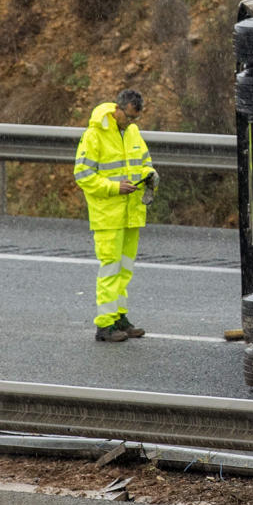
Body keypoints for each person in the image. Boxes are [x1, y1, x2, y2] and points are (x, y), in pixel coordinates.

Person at [74, 89, 156, 342]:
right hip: (108, 214)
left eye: (135, 119)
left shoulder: (131, 131)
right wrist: (114, 188)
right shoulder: (94, 134)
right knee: (110, 269)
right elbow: (83, 175)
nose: (132, 122)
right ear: (117, 109)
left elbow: (144, 161)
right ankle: (105, 325)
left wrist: (150, 173)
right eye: (129, 117)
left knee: (124, 269)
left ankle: (119, 316)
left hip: (131, 212)